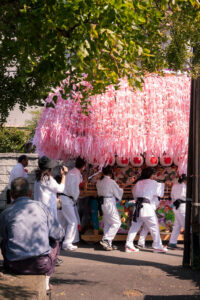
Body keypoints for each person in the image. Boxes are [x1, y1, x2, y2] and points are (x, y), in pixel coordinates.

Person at [0, 177, 65, 291]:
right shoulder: (41, 208)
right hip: (41, 265)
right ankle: (46, 280)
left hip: (13, 265)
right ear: (30, 193)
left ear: (11, 194)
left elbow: (3, 237)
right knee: (55, 240)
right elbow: (58, 234)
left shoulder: (6, 213)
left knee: (4, 239)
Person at [125, 167, 168, 253]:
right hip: (147, 207)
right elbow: (160, 194)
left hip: (138, 207)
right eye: (154, 174)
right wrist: (163, 184)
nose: (155, 176)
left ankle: (128, 245)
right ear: (151, 175)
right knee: (154, 226)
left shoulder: (138, 183)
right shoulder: (154, 183)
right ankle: (157, 246)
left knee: (134, 227)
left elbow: (135, 195)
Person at [59, 157, 87, 251]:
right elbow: (74, 191)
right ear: (83, 166)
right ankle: (67, 243)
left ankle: (57, 240)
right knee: (73, 222)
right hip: (67, 200)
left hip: (64, 198)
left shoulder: (72, 172)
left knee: (63, 222)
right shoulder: (76, 174)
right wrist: (80, 193)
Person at [96, 165, 123, 251]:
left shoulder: (99, 181)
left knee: (107, 223)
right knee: (117, 223)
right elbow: (118, 192)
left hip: (102, 203)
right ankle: (106, 239)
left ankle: (108, 244)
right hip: (108, 202)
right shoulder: (111, 182)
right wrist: (123, 187)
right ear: (111, 172)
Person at [168, 174, 187, 249]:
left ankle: (172, 243)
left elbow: (172, 197)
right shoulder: (185, 187)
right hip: (183, 207)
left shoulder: (175, 186)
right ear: (185, 180)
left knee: (177, 226)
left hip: (176, 207)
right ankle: (191, 244)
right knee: (187, 226)